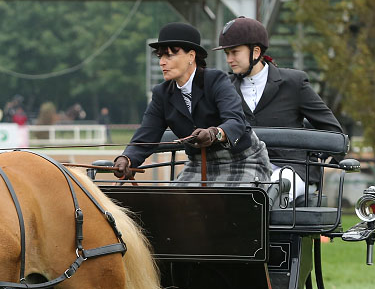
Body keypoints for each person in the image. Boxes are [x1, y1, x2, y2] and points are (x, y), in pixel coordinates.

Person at [114, 22, 271, 183]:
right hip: (197, 164)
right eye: (160, 56)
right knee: (174, 205)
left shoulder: (217, 80)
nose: (162, 62)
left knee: (229, 203)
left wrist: (213, 133)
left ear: (191, 56)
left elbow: (236, 122)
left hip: (242, 160)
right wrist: (126, 159)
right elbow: (146, 135)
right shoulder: (161, 94)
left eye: (169, 55)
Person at [214, 16, 343, 200]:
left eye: (234, 52)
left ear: (256, 51)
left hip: (291, 169)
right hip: (242, 168)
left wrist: (327, 158)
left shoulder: (294, 82)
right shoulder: (223, 87)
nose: (229, 59)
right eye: (226, 54)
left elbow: (331, 128)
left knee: (271, 189)